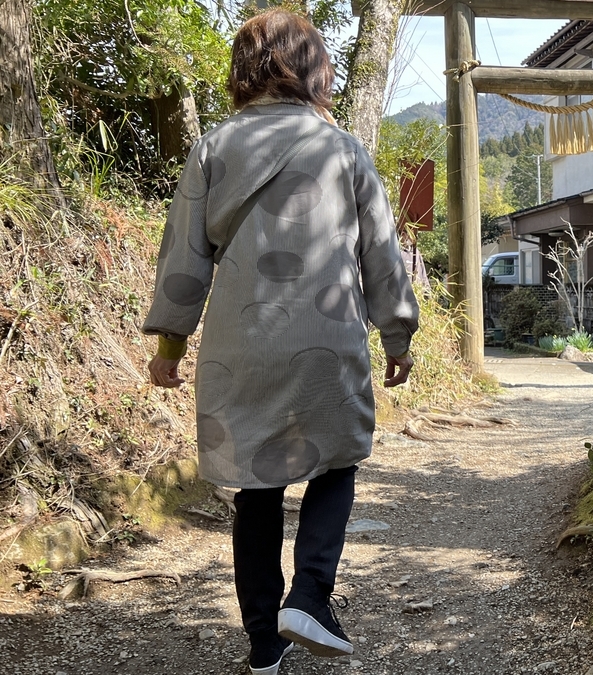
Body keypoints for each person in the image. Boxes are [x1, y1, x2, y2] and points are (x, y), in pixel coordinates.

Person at [141, 9, 419, 675]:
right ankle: (311, 595)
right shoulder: (344, 149)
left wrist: (170, 347)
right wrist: (398, 335)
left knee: (255, 490)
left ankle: (266, 648)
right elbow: (381, 254)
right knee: (338, 462)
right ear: (316, 69)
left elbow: (184, 256)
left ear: (244, 72)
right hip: (329, 340)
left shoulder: (212, 147)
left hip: (242, 348)